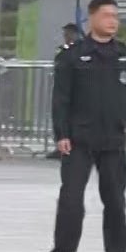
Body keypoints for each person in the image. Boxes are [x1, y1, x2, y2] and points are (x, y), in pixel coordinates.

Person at [47, 0, 126, 252]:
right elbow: (61, 99)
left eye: (115, 16)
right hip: (79, 139)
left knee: (116, 202)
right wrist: (62, 133)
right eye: (107, 16)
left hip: (113, 140)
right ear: (91, 19)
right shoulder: (72, 54)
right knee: (71, 199)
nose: (112, 21)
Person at [47, 23, 83, 160]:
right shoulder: (64, 51)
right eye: (65, 34)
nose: (66, 37)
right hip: (64, 89)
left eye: (69, 34)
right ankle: (61, 145)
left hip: (77, 93)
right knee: (61, 117)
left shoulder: (82, 50)